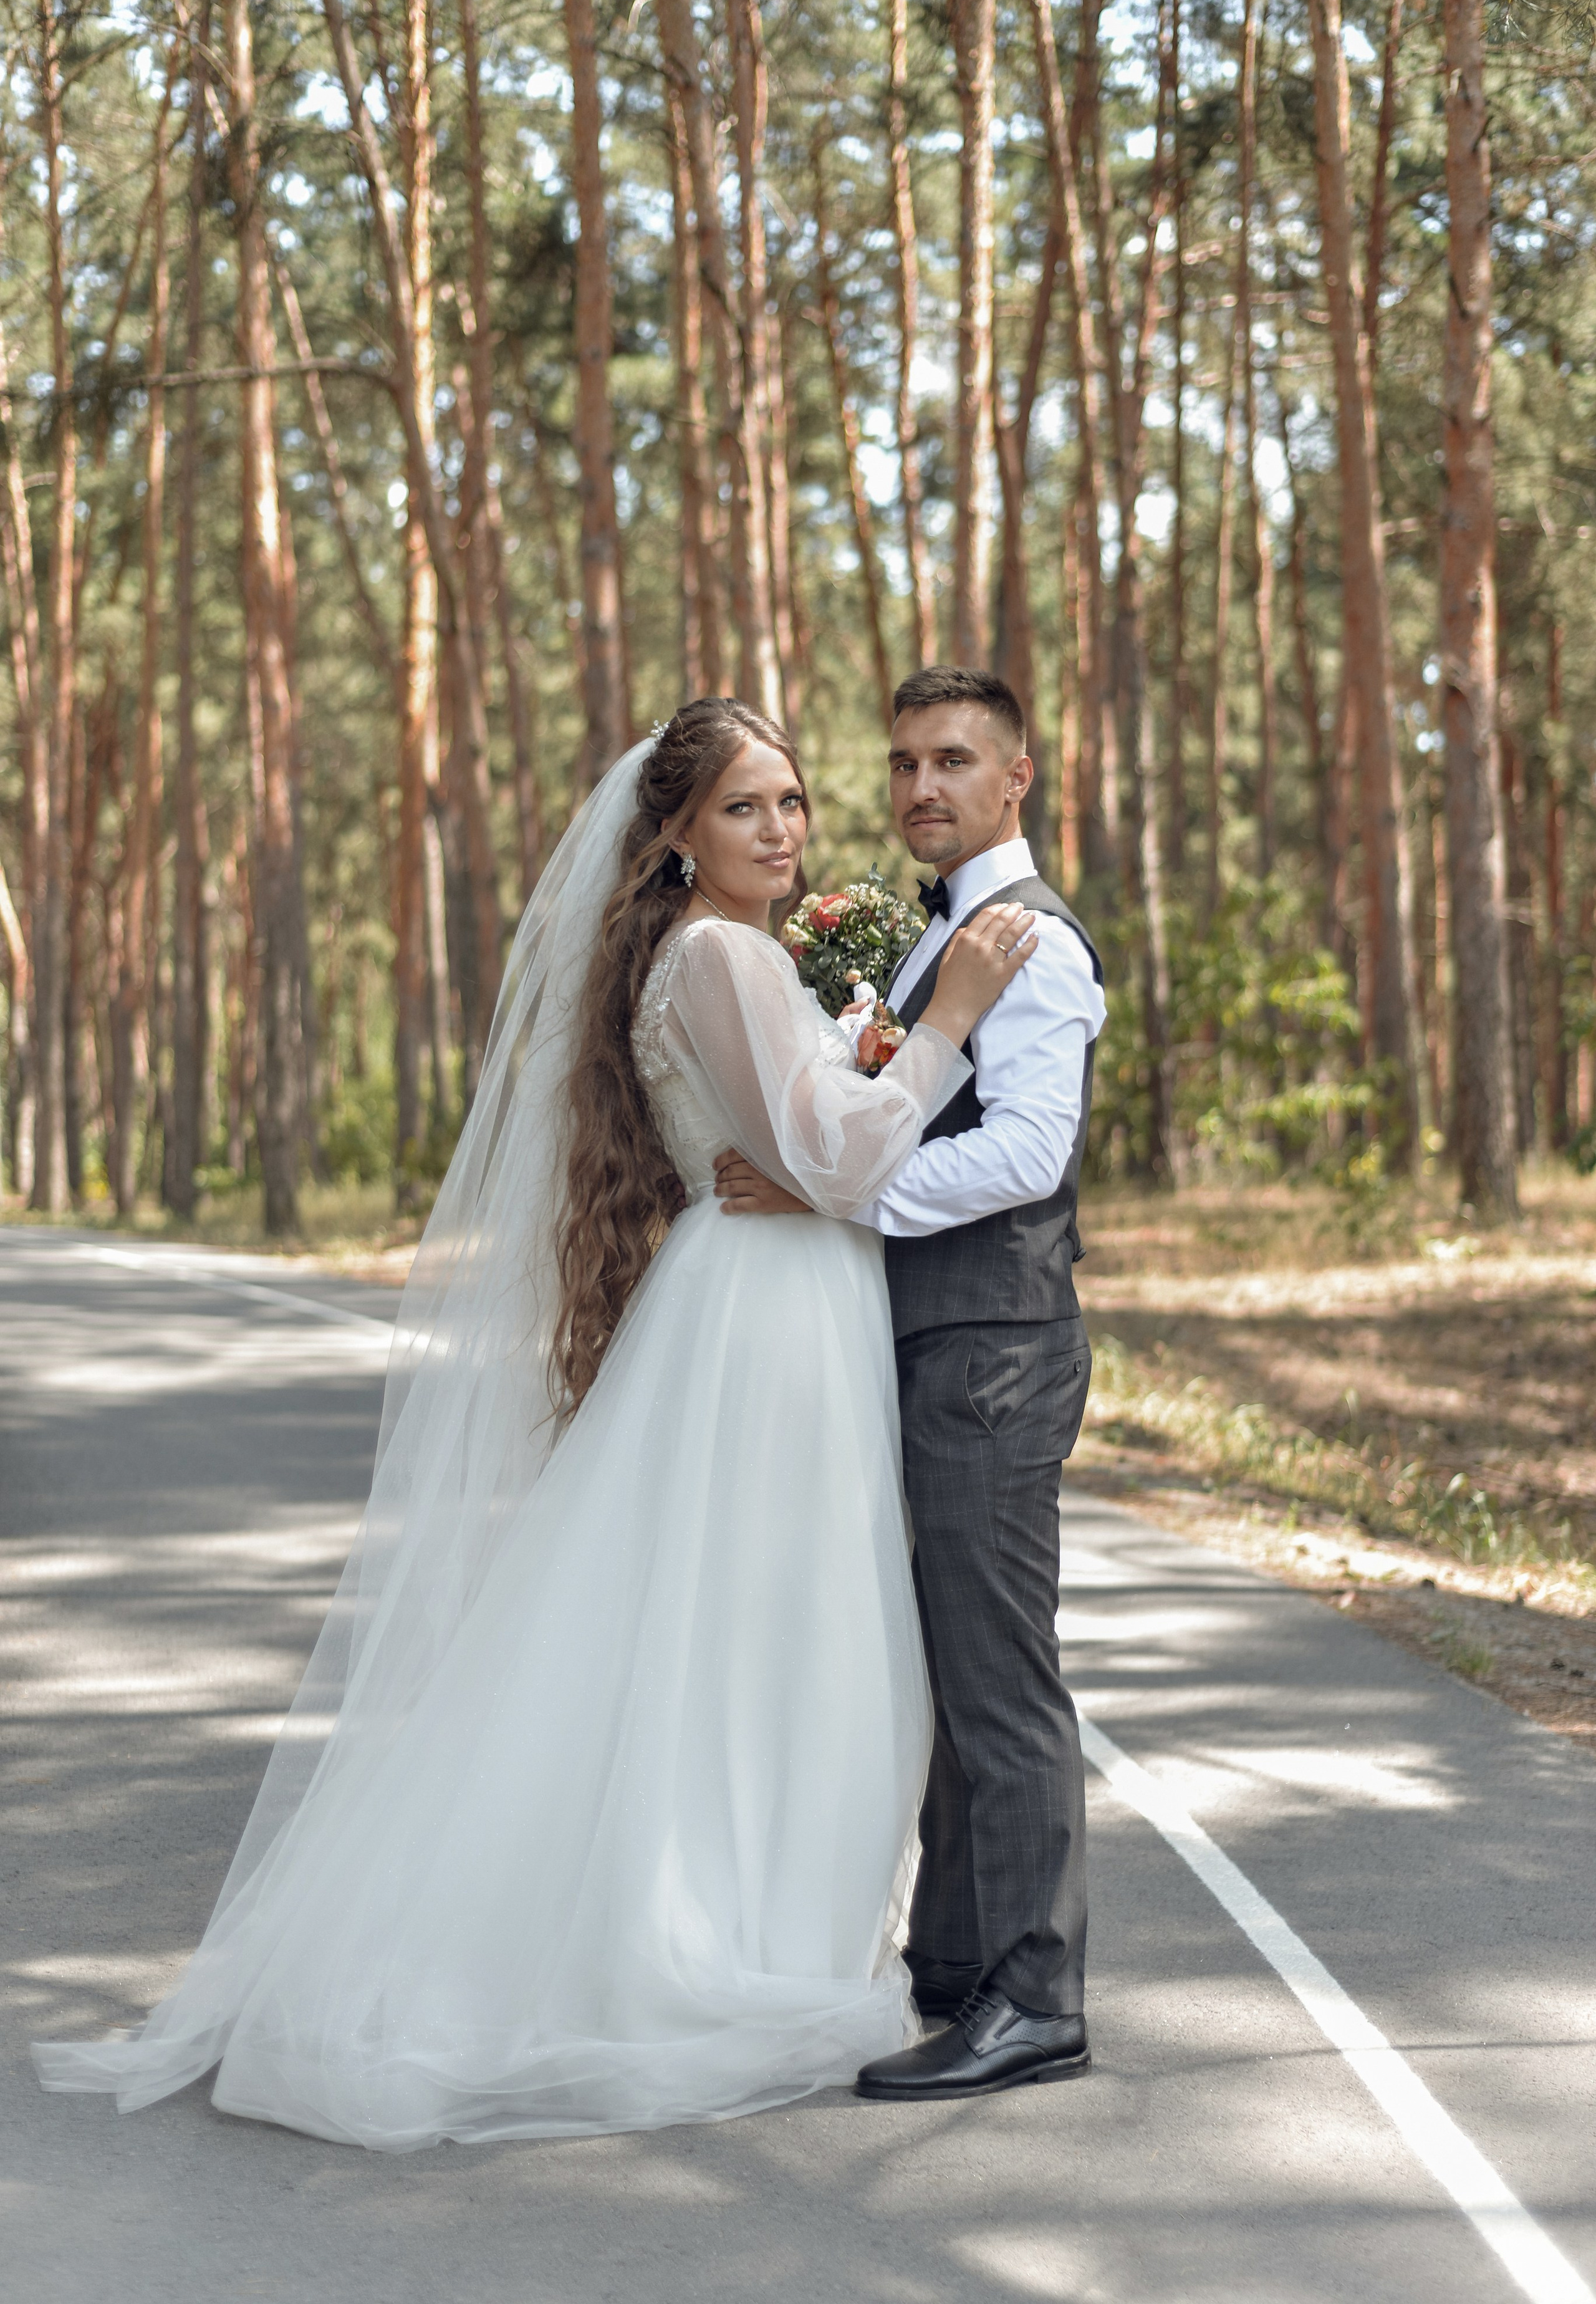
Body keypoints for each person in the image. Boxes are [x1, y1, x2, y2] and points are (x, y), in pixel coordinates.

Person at [32, 698, 1037, 2150]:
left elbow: (806, 1148)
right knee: (763, 1633)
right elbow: (830, 1156)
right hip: (763, 1316)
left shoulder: (723, 953)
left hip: (778, 1299)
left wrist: (841, 1099)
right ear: (676, 832)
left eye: (790, 800)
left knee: (750, 1633)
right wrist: (942, 1026)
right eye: (743, 806)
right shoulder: (719, 955)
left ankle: (754, 1924)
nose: (780, 829)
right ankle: (718, 1947)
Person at [715, 666, 1107, 2099]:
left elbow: (1025, 1154)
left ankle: (1035, 1999)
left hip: (993, 1348)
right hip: (930, 1343)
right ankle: (952, 1969)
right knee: (942, 1667)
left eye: (950, 760)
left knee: (998, 1679)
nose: (920, 786)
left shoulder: (1027, 940)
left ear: (1015, 777)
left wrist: (837, 1198)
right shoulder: (932, 932)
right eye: (900, 763)